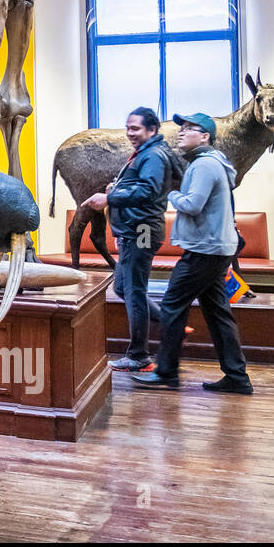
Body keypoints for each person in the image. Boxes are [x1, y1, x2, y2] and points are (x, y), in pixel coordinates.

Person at [132, 113, 254, 394]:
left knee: (173, 304)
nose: (181, 133)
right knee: (217, 313)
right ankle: (237, 376)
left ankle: (166, 372)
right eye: (181, 128)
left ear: (205, 136)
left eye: (189, 129)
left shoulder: (204, 165)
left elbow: (193, 204)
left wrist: (169, 194)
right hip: (214, 249)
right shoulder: (212, 163)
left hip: (205, 251)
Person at [81, 106, 170, 372]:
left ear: (151, 130)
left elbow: (148, 190)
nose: (129, 133)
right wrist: (117, 188)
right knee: (123, 288)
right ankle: (170, 322)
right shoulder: (143, 154)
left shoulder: (153, 155)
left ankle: (139, 355)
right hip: (133, 231)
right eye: (128, 127)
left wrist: (109, 198)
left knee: (134, 292)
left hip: (140, 232)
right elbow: (138, 187)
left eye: (135, 128)